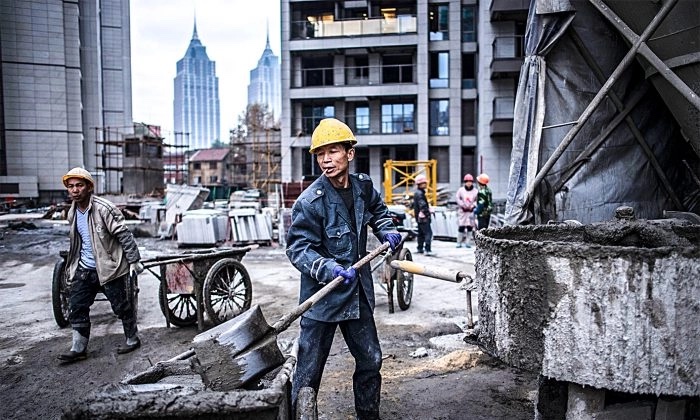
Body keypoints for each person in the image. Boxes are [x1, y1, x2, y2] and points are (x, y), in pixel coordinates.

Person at [285, 118, 402, 420]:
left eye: (333, 151)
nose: (325, 160)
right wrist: (328, 268)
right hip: (323, 297)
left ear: (349, 154)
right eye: (320, 154)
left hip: (357, 293)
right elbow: (298, 249)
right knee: (308, 372)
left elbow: (378, 211)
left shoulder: (363, 187)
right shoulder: (310, 202)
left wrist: (386, 229)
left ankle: (368, 415)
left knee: (371, 360)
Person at [58, 167, 144, 363]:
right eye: (71, 186)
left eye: (79, 185)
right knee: (77, 306)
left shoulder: (104, 209)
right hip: (85, 268)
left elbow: (124, 235)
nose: (74, 190)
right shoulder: (72, 212)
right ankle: (78, 348)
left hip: (109, 267)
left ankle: (132, 338)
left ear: (89, 187)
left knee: (121, 307)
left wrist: (134, 260)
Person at [412, 174, 434, 256]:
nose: (426, 184)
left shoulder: (417, 193)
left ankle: (420, 248)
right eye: (424, 183)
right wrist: (428, 214)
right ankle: (427, 249)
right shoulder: (420, 194)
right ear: (420, 184)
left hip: (418, 218)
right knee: (428, 233)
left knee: (420, 233)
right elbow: (423, 206)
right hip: (423, 218)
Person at [455, 173, 478, 248]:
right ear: (465, 182)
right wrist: (462, 205)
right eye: (467, 181)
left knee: (470, 227)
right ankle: (459, 242)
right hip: (462, 211)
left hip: (470, 212)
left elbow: (476, 200)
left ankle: (467, 242)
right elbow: (458, 198)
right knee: (461, 226)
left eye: (470, 181)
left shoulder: (475, 191)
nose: (469, 183)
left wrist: (473, 206)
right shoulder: (460, 190)